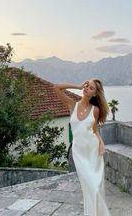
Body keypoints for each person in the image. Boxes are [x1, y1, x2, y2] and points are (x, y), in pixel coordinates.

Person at [53, 79, 111, 216]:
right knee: (89, 187)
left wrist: (101, 143)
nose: (87, 88)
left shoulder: (95, 110)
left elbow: (94, 129)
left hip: (93, 152)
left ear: (95, 94)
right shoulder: (72, 104)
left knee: (95, 188)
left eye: (91, 88)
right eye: (87, 85)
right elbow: (56, 87)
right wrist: (77, 86)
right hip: (79, 153)